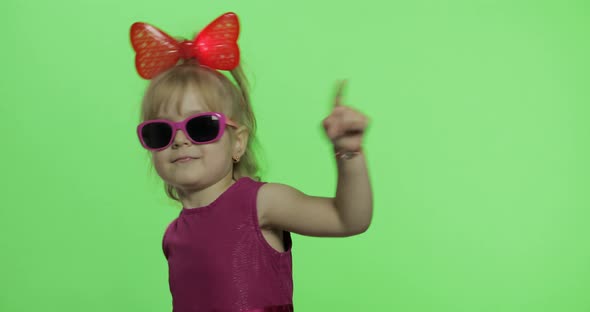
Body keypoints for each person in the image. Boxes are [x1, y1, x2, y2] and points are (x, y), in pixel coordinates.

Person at [130, 12, 373, 312]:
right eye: (160, 132)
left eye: (201, 127)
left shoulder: (260, 204)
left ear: (238, 142)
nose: (180, 140)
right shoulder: (174, 235)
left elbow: (348, 219)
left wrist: (349, 153)